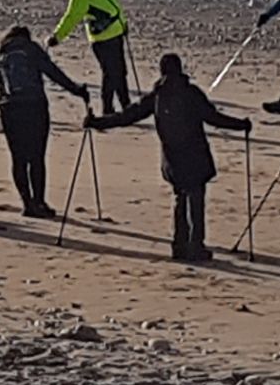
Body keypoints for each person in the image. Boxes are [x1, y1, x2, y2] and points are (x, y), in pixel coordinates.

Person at [87, 53, 251, 262]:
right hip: (195, 156)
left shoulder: (157, 96)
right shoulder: (191, 93)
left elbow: (127, 116)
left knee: (180, 199)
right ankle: (196, 246)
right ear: (180, 69)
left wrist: (97, 122)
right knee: (195, 200)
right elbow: (214, 118)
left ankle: (179, 246)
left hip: (172, 159)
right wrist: (242, 125)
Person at [0, 26, 90, 217]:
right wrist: (77, 90)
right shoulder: (32, 49)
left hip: (10, 108)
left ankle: (27, 203)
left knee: (19, 158)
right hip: (35, 105)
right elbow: (54, 74)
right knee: (37, 157)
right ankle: (39, 203)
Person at [47, 0, 131, 115]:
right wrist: (57, 36)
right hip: (101, 39)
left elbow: (115, 3)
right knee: (111, 74)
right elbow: (70, 18)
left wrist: (123, 23)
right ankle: (108, 108)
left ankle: (126, 105)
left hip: (117, 33)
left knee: (121, 72)